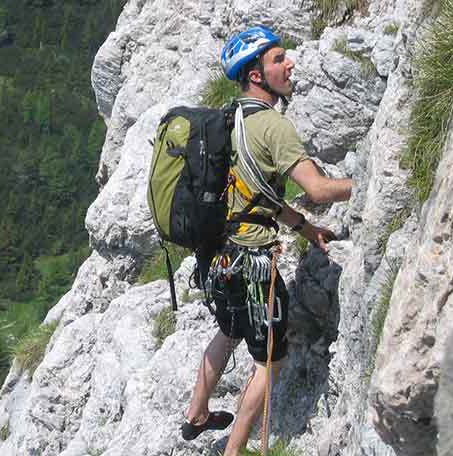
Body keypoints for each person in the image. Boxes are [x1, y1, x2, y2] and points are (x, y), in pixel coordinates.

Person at [180, 26, 353, 455]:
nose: (289, 64)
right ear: (256, 75)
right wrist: (370, 181)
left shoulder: (226, 120)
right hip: (254, 265)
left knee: (229, 329)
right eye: (278, 59)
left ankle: (196, 412)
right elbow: (318, 189)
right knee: (271, 362)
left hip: (217, 256)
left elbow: (257, 195)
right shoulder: (274, 126)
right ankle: (234, 451)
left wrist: (304, 228)